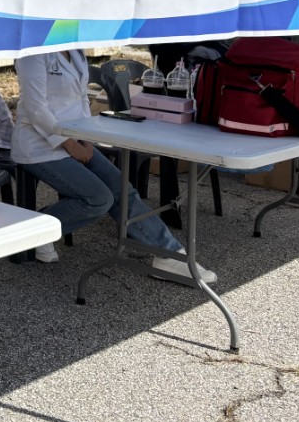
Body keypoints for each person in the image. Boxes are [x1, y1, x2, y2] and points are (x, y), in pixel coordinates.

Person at [12, 49, 216, 283]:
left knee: (122, 189)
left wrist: (86, 139)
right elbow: (36, 109)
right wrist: (69, 144)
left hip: (76, 136)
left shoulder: (75, 50)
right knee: (98, 199)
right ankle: (34, 228)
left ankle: (167, 254)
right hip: (39, 145)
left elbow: (81, 100)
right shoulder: (32, 54)